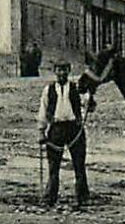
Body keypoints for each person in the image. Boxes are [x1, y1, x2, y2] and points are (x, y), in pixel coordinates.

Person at [38, 60, 93, 208]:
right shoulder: (48, 90)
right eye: (59, 70)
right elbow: (43, 110)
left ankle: (83, 197)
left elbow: (88, 104)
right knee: (53, 166)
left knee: (79, 164)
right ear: (54, 71)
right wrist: (41, 131)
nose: (61, 73)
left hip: (74, 129)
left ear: (69, 71)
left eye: (64, 70)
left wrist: (90, 101)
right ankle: (50, 197)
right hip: (56, 129)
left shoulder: (76, 88)